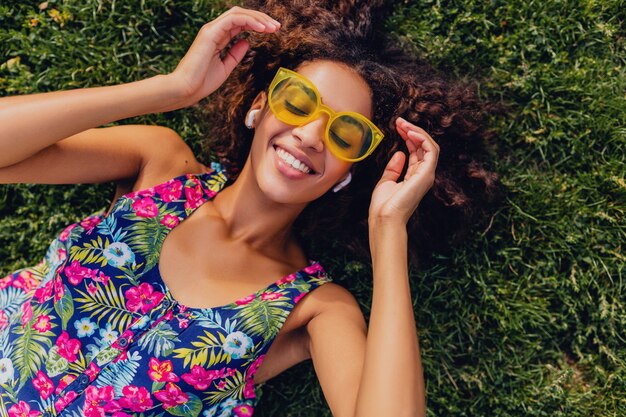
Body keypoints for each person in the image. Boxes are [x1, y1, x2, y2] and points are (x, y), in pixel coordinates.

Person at [0, 1, 498, 416]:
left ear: (352, 170)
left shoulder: (313, 307)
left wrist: (389, 230)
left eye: (345, 132)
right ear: (257, 106)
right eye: (299, 102)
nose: (309, 135)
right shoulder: (161, 164)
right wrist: (172, 89)